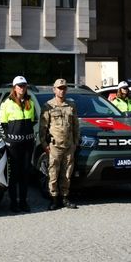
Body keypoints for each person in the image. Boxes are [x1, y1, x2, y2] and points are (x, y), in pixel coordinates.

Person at [0, 75, 37, 213]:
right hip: (13, 145)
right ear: (14, 88)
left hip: (27, 144)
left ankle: (23, 202)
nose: (22, 88)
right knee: (14, 175)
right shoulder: (7, 103)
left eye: (24, 85)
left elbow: (33, 120)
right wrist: (7, 139)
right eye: (20, 86)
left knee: (25, 174)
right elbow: (1, 123)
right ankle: (13, 202)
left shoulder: (30, 102)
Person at [39, 78, 80, 210]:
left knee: (67, 173)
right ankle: (54, 199)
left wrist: (75, 143)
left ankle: (65, 198)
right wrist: (44, 144)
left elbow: (75, 126)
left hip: (69, 146)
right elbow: (43, 128)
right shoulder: (48, 106)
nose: (62, 91)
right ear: (54, 89)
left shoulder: (71, 105)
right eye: (59, 88)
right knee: (53, 173)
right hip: (54, 146)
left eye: (64, 88)